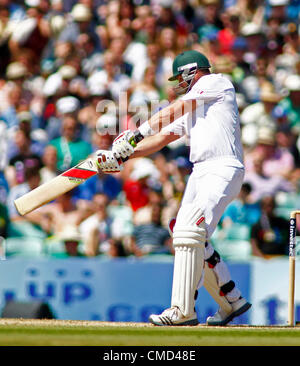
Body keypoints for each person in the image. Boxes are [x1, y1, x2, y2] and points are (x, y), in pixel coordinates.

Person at [96, 49, 251, 326]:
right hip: (200, 171)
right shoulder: (193, 107)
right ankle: (231, 299)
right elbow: (160, 140)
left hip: (222, 166)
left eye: (179, 76)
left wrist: (134, 134)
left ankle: (182, 311)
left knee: (189, 231)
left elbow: (172, 111)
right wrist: (120, 156)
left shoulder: (216, 82)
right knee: (185, 231)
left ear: (192, 70)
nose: (177, 83)